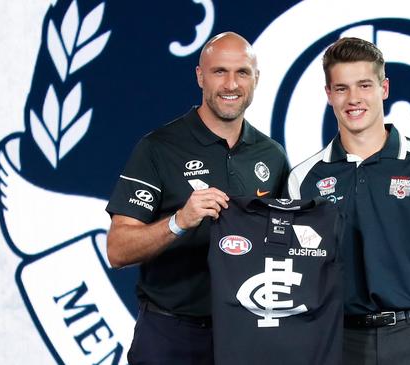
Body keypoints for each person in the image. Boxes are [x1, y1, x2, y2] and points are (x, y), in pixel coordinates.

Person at [286, 37, 410, 365]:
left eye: (364, 85)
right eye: (341, 88)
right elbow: (299, 273)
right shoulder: (303, 179)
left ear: (384, 88)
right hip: (339, 341)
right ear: (328, 95)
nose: (354, 99)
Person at [105, 32, 289, 364]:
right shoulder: (158, 148)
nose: (231, 84)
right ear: (200, 76)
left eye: (242, 72)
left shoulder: (272, 156)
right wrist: (179, 222)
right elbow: (117, 250)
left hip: (245, 333)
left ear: (256, 79)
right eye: (220, 71)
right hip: (170, 334)